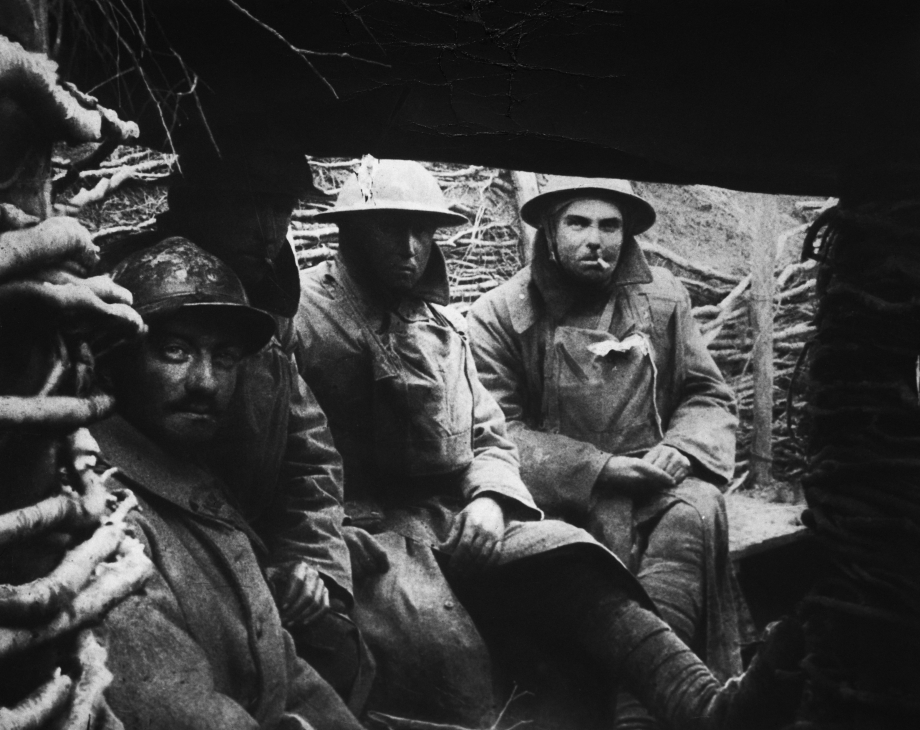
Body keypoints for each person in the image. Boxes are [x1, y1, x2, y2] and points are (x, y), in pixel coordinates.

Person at [292, 157, 802, 730]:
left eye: (424, 230)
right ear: (350, 231)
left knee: (574, 560)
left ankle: (699, 704)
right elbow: (287, 454)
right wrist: (315, 541)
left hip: (455, 513)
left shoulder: (438, 323)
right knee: (445, 650)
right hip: (364, 530)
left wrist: (488, 498)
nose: (411, 247)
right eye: (391, 228)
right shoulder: (304, 317)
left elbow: (485, 433)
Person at [100, 141, 371, 708]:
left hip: (252, 560)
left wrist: (309, 565)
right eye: (245, 206)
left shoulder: (267, 330)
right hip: (157, 551)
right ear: (194, 202)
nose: (266, 231)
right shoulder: (111, 303)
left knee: (336, 653)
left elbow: (310, 464)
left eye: (280, 210)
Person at [468, 176, 741, 727]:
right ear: (548, 230)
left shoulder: (663, 298)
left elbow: (706, 393)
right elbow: (498, 430)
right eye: (579, 222)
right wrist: (601, 469)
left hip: (659, 478)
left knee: (696, 512)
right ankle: (648, 699)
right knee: (585, 560)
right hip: (561, 496)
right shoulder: (501, 313)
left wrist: (682, 449)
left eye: (610, 225)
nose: (597, 240)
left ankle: (641, 705)